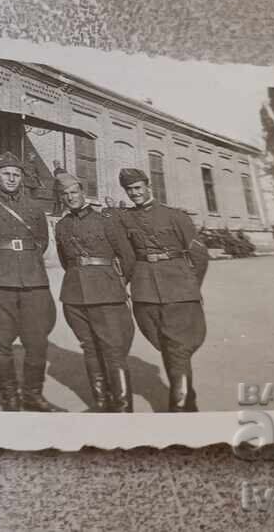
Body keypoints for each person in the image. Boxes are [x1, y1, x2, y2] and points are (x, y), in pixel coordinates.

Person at [0, 152, 64, 412]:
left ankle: (33, 395)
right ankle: (10, 397)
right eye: (6, 174)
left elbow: (41, 241)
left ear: (22, 178)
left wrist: (24, 259)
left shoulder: (34, 207)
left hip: (33, 279)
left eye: (16, 174)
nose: (11, 178)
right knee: (2, 341)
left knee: (37, 340)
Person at [115, 168, 209, 412]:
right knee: (167, 347)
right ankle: (188, 401)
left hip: (178, 288)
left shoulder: (175, 216)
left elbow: (199, 255)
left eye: (138, 188)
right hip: (145, 290)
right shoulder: (125, 218)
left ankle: (178, 410)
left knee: (177, 348)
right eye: (129, 190)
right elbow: (127, 256)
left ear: (148, 187)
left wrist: (190, 286)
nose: (134, 193)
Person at [54, 172, 137, 412]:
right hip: (73, 295)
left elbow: (127, 257)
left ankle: (122, 410)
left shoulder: (106, 220)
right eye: (65, 194)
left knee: (113, 350)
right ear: (61, 198)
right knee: (89, 348)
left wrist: (115, 283)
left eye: (74, 192)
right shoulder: (62, 225)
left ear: (83, 192)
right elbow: (65, 260)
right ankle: (101, 404)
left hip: (106, 292)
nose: (71, 197)